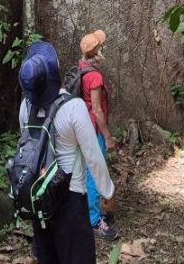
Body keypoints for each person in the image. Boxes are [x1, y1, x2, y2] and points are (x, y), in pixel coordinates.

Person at [18, 41, 115, 264]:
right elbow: (93, 155)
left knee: (48, 257)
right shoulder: (73, 107)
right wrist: (107, 191)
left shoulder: (26, 107)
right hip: (70, 198)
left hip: (40, 197)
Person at [79, 29, 118, 240]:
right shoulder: (94, 76)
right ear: (98, 52)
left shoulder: (82, 67)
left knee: (88, 171)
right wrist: (108, 136)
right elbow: (97, 110)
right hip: (94, 130)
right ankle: (94, 221)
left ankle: (91, 212)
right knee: (95, 173)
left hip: (83, 128)